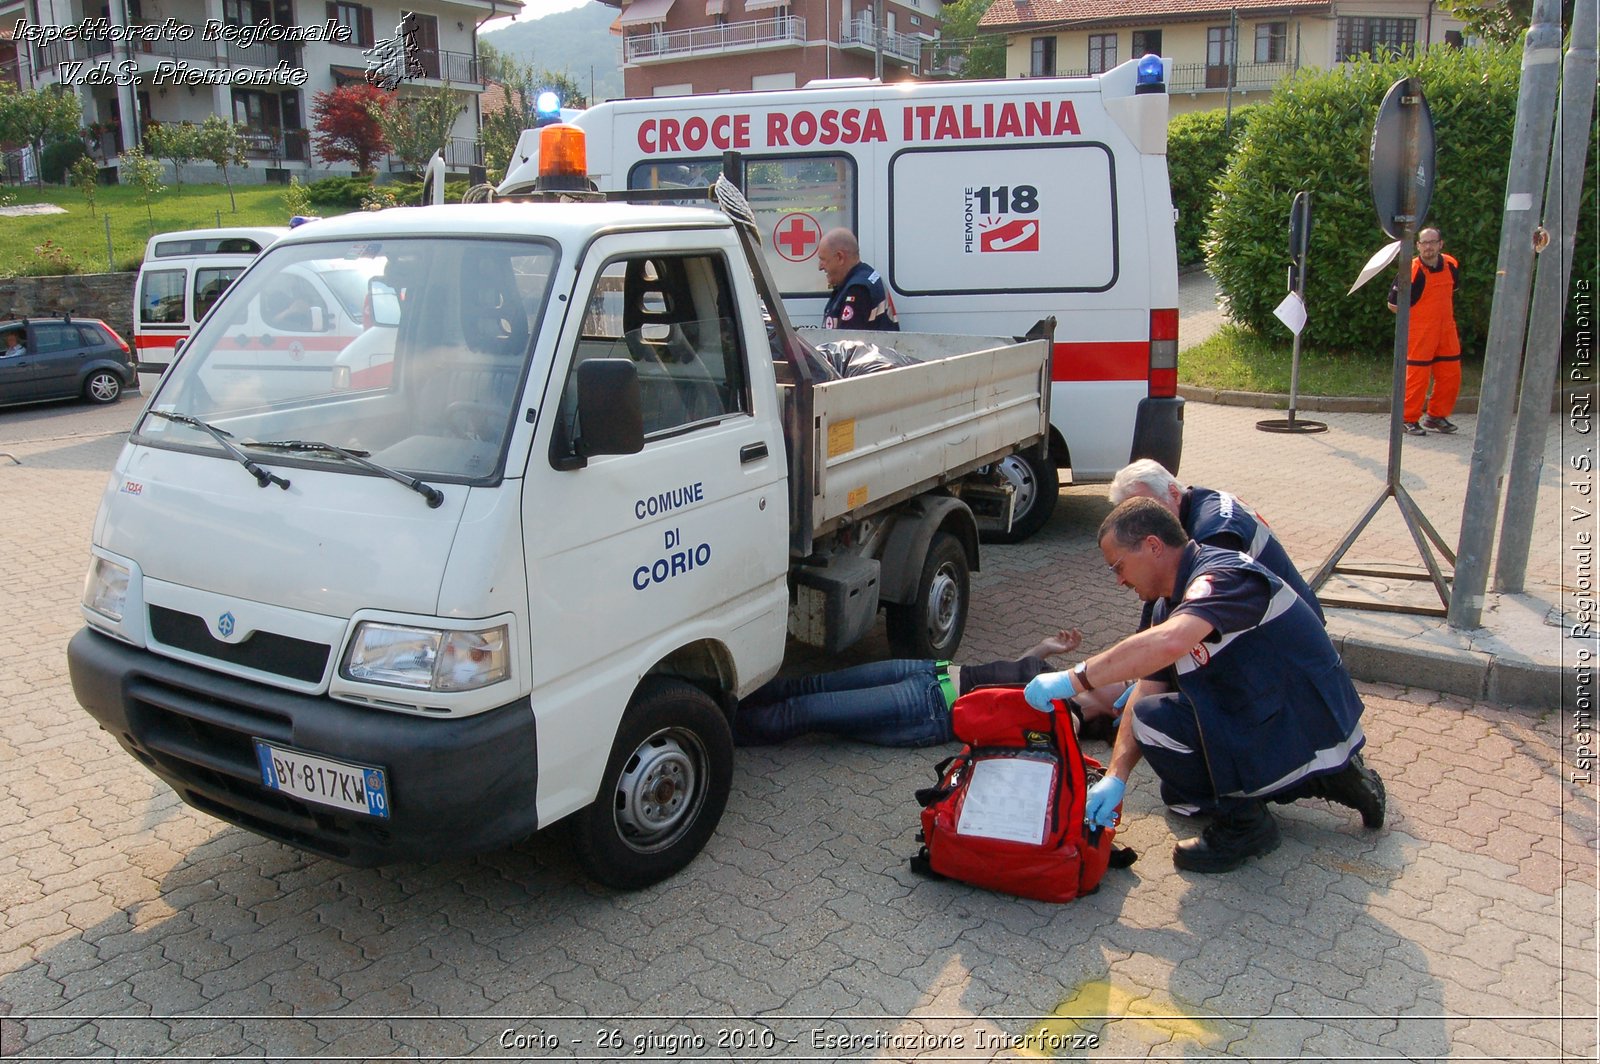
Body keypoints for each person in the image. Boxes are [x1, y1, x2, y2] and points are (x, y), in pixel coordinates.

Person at [1024, 498, 1385, 874]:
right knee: (1177, 791)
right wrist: (1117, 775)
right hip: (1282, 717)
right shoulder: (1171, 603)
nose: (1119, 580)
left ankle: (1247, 825)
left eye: (1118, 566)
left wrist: (1073, 679)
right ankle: (1332, 779)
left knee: (1176, 754)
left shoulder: (1221, 575)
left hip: (1305, 720)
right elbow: (1148, 689)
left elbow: (1167, 643)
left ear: (1152, 546)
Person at [734, 629, 1125, 747]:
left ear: (1114, 710)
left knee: (806, 712)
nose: (1114, 675)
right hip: (929, 670)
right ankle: (725, 702)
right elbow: (1010, 676)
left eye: (1123, 683)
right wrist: (1044, 649)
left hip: (929, 705)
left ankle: (716, 732)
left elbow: (1005, 712)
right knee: (811, 684)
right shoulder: (1061, 683)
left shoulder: (1065, 723)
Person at [1109, 459, 1324, 623]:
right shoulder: (1198, 501)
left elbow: (1190, 611)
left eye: (1147, 508)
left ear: (1173, 493)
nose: (1141, 523)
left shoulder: (1213, 532)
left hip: (1285, 629)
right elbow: (1159, 589)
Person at [1387, 227, 1462, 437]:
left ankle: (1436, 416)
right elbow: (1392, 304)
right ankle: (1407, 418)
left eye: (1432, 242)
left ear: (1440, 244)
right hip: (1420, 332)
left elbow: (1452, 290)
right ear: (1418, 246)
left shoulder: (1451, 265)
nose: (1428, 247)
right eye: (1424, 243)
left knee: (1451, 375)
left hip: (1446, 330)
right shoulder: (1410, 271)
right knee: (1417, 377)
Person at [817, 228, 898, 331]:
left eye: (823, 259)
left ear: (840, 257)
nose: (820, 267)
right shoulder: (866, 276)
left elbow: (847, 342)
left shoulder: (858, 290)